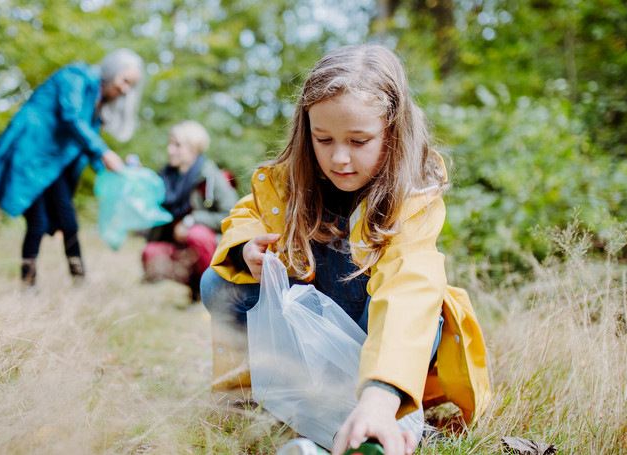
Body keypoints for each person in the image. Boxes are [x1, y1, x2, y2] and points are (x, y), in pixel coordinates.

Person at [200, 44, 491, 455]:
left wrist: (380, 396)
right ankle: (267, 405)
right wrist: (246, 246)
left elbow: (408, 290)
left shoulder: (412, 196)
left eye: (359, 141)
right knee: (219, 283)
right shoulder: (289, 182)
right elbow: (248, 212)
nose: (339, 158)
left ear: (393, 132)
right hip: (307, 341)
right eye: (323, 139)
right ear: (307, 131)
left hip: (376, 336)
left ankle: (375, 415)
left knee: (423, 314)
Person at [0, 49, 144, 287]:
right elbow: (71, 118)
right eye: (125, 81)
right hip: (31, 154)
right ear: (112, 70)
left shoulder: (97, 102)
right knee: (38, 222)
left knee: (69, 223)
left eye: (131, 85)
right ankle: (28, 285)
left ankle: (80, 282)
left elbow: (88, 144)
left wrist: (114, 169)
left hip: (54, 165)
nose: (125, 89)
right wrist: (104, 152)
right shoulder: (76, 76)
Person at [142, 121, 239, 301]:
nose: (170, 150)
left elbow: (232, 216)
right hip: (179, 247)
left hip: (210, 246)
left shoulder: (212, 176)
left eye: (177, 145)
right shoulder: (165, 177)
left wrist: (191, 220)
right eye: (170, 144)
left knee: (196, 235)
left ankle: (216, 295)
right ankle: (196, 290)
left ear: (194, 148)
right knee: (151, 252)